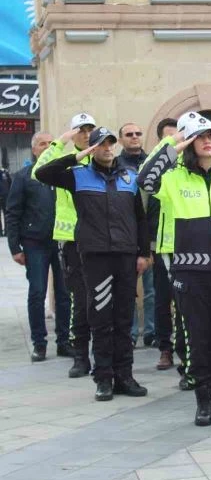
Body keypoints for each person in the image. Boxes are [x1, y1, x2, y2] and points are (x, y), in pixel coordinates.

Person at [139, 114, 211, 425]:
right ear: (189, 142)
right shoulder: (173, 179)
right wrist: (173, 144)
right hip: (189, 273)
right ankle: (203, 400)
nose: (207, 141)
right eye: (199, 136)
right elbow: (144, 178)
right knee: (197, 337)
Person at [35, 127, 150, 401]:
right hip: (95, 256)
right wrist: (75, 157)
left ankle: (125, 375)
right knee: (100, 318)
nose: (108, 148)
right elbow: (43, 173)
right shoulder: (78, 176)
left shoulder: (129, 177)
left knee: (123, 318)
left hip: (124, 255)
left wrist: (143, 253)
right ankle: (104, 378)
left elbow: (141, 218)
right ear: (93, 148)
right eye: (102, 144)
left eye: (111, 143)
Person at [32, 113, 96, 378]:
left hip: (99, 239)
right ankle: (81, 357)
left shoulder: (100, 158)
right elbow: (39, 172)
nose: (85, 134)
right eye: (80, 130)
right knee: (79, 301)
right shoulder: (64, 164)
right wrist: (59, 143)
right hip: (71, 241)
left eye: (89, 129)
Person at [6, 132, 73, 361]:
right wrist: (15, 247)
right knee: (37, 292)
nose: (46, 147)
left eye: (50, 143)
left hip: (62, 240)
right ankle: (39, 343)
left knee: (64, 294)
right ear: (34, 150)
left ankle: (64, 341)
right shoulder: (24, 176)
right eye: (42, 144)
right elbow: (13, 212)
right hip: (34, 242)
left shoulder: (63, 174)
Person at [117, 122, 156, 348]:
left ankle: (150, 332)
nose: (134, 137)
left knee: (151, 290)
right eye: (129, 134)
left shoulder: (152, 163)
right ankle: (130, 334)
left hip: (149, 234)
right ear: (121, 139)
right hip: (124, 237)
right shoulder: (116, 165)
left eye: (138, 133)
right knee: (127, 290)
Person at [149, 117, 179, 371]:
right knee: (163, 300)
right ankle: (165, 348)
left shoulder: (188, 168)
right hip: (165, 246)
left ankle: (187, 350)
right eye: (169, 138)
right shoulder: (160, 171)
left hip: (193, 246)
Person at [0, 164, 11, 236]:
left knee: (7, 214)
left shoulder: (5, 173)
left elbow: (10, 183)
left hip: (5, 196)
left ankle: (7, 231)